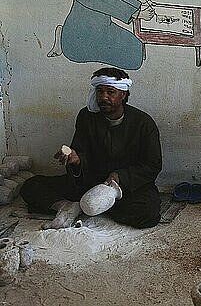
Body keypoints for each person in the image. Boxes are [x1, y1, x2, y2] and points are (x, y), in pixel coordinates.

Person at [20, 67, 162, 229]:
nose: (104, 97)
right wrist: (76, 159)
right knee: (31, 186)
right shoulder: (86, 117)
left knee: (148, 213)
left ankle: (92, 206)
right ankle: (66, 206)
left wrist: (119, 177)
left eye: (110, 92)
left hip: (125, 187)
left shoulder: (143, 123)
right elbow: (80, 152)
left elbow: (152, 165)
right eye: (100, 91)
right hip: (91, 180)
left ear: (123, 94)